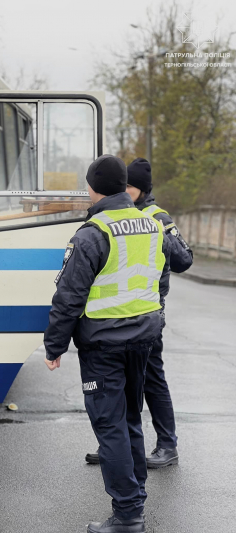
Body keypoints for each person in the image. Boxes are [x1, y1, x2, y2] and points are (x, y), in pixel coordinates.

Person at [44, 154, 171, 533]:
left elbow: (69, 296)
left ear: (93, 188)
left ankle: (129, 514)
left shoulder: (93, 232)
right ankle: (137, 500)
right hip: (144, 338)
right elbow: (161, 275)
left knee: (110, 426)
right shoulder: (150, 224)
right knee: (131, 418)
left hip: (104, 343)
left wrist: (54, 346)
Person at [85, 158, 193, 469]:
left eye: (128, 186)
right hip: (121, 313)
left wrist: (159, 236)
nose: (122, 190)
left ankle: (167, 444)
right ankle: (116, 445)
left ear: (141, 190)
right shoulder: (118, 214)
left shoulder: (155, 216)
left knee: (152, 379)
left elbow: (184, 259)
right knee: (118, 381)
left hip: (146, 312)